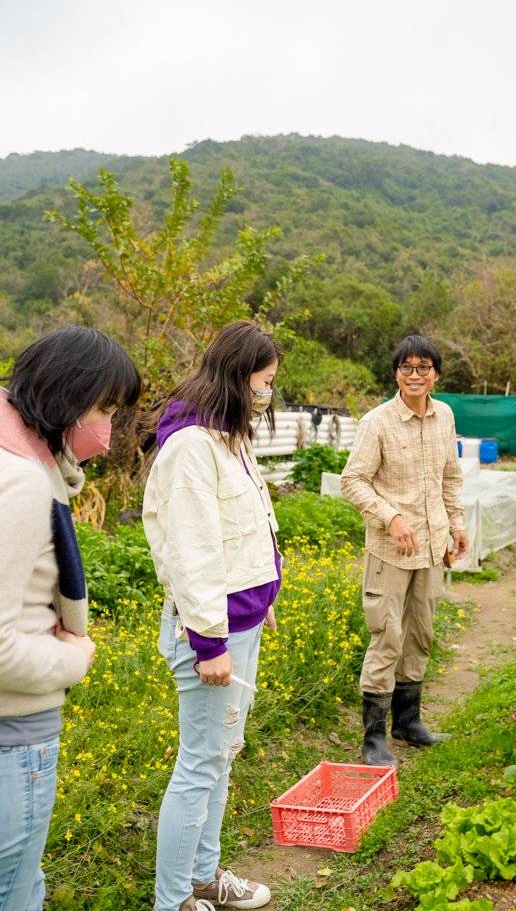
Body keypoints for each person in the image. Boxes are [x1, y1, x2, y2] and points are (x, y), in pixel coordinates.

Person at [143, 320, 283, 911]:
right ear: (235, 376)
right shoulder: (191, 446)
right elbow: (193, 552)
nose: (267, 394)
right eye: (263, 382)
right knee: (199, 763)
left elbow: (244, 533)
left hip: (238, 625)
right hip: (209, 635)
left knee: (221, 757)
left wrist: (262, 600)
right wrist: (209, 643)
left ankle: (204, 879)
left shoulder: (230, 437)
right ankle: (174, 898)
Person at [0, 326, 141, 911]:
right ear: (67, 395)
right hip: (14, 736)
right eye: (104, 407)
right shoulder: (23, 486)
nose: (107, 428)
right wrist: (73, 658)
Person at [341, 334, 468, 766]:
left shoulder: (444, 416)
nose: (414, 376)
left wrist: (457, 523)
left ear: (436, 375)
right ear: (396, 373)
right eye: (406, 368)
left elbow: (450, 475)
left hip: (432, 548)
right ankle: (373, 739)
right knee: (387, 636)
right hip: (389, 551)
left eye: (423, 368)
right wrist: (390, 517)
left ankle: (408, 723)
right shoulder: (376, 422)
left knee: (420, 635)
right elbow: (353, 481)